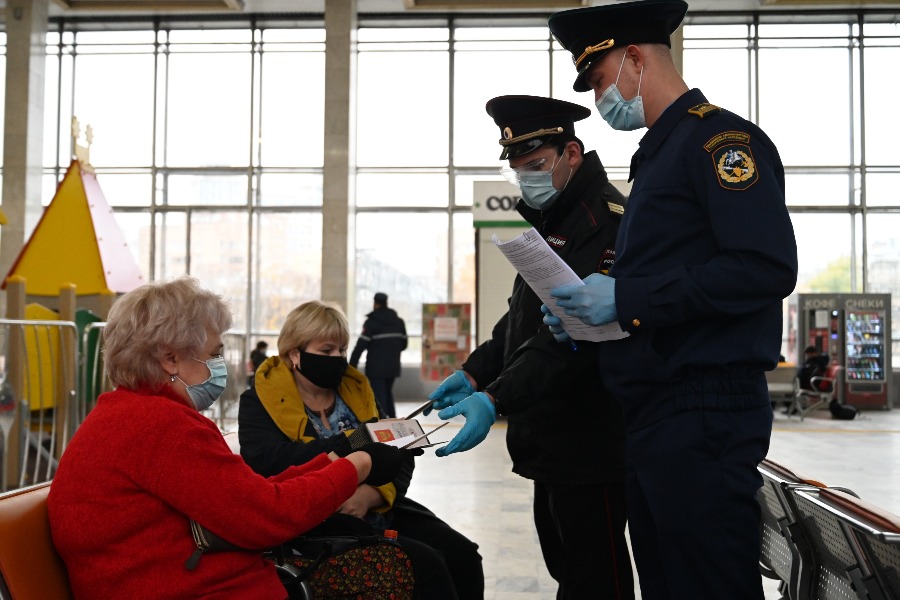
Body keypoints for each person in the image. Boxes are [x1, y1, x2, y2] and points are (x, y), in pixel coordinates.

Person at [546, 2, 798, 598]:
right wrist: (588, 319)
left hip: (703, 410)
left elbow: (764, 266)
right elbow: (671, 281)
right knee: (667, 583)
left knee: (706, 583)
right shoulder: (659, 155)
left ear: (635, 59)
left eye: (600, 80)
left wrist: (628, 298)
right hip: (656, 413)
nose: (600, 99)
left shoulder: (718, 142)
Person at [47, 277, 413, 600]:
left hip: (193, 581)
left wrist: (337, 458)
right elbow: (266, 516)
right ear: (170, 359)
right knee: (394, 570)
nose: (219, 366)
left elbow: (248, 496)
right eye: (214, 354)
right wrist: (358, 464)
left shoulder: (131, 414)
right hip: (203, 588)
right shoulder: (161, 427)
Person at [429, 95, 633, 599]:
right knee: (569, 568)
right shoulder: (553, 221)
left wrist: (495, 397)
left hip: (590, 440)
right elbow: (520, 320)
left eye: (537, 166)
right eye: (519, 171)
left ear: (572, 154)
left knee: (596, 579)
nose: (528, 180)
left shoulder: (603, 223)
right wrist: (475, 372)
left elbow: (567, 340)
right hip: (553, 437)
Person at [239, 300, 484, 600]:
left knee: (464, 556)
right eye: (326, 351)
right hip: (316, 521)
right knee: (427, 568)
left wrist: (372, 495)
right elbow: (268, 464)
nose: (338, 359)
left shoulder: (357, 389)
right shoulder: (258, 401)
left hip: (376, 505)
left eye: (342, 350)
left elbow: (400, 455)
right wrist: (354, 445)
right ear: (294, 354)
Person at [349, 292, 408, 418]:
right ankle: (393, 420)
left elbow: (360, 346)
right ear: (386, 303)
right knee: (387, 393)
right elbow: (404, 344)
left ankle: (384, 422)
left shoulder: (371, 322)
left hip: (375, 368)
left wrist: (351, 366)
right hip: (393, 366)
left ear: (375, 304)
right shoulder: (399, 322)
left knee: (379, 397)